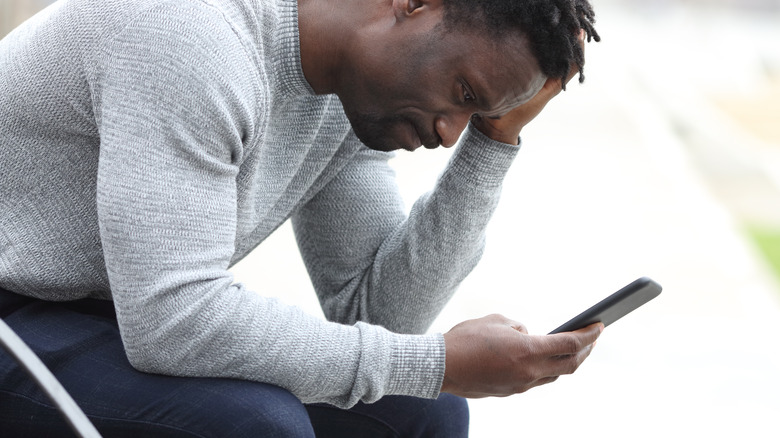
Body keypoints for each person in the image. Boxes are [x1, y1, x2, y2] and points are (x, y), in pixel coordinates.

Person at [0, 0, 603, 436]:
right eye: (465, 94)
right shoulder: (190, 35)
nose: (449, 134)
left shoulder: (352, 98)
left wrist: (493, 143)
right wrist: (439, 362)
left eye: (474, 116)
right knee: (257, 428)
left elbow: (376, 316)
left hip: (103, 318)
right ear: (413, 5)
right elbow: (174, 320)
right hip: (15, 314)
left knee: (423, 413)